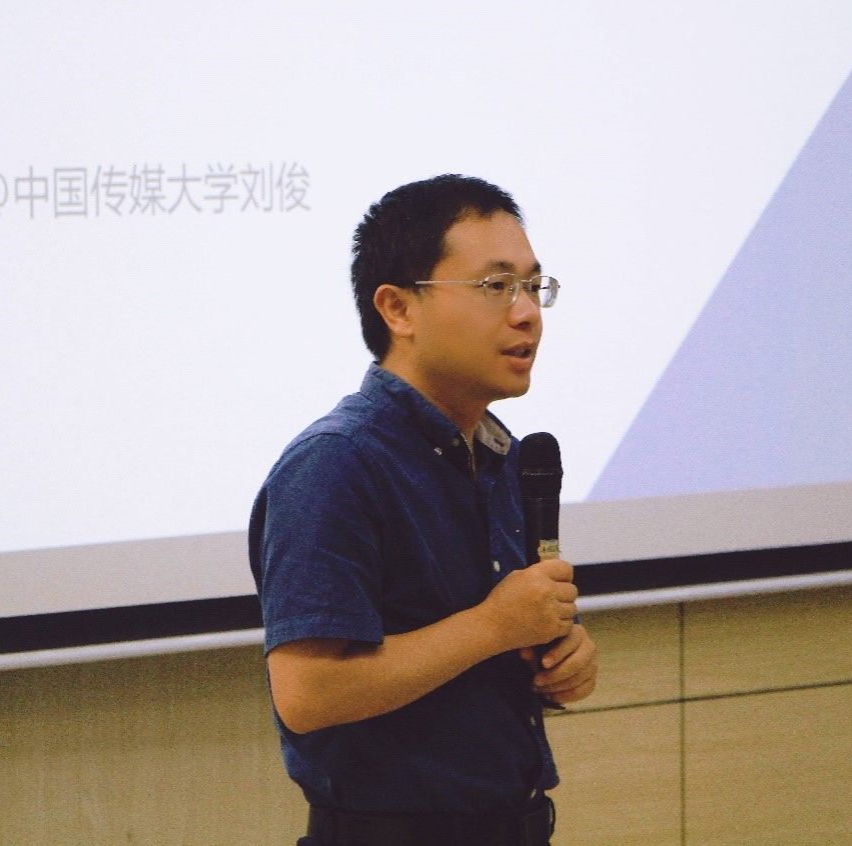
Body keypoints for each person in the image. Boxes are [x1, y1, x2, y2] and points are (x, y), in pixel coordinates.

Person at [249, 174, 599, 846]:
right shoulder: (338, 463)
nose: (527, 313)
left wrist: (564, 662)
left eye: (534, 286)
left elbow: (498, 647)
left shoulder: (503, 456)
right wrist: (493, 626)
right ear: (398, 308)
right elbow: (308, 694)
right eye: (496, 286)